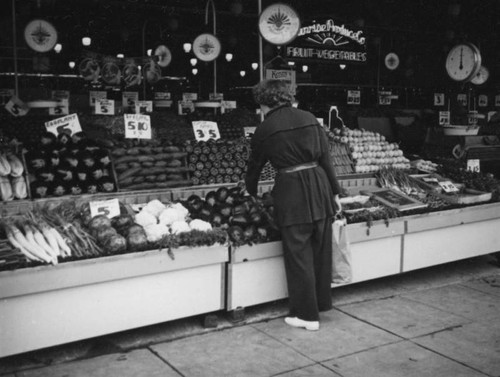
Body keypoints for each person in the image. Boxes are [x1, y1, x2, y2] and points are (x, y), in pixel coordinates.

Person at [245, 79, 342, 331]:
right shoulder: (310, 118)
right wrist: (336, 192)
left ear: (264, 103)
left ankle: (307, 316)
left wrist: (250, 192)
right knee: (320, 252)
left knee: (298, 254)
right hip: (320, 186)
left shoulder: (265, 129)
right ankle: (320, 304)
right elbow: (326, 158)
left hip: (291, 191)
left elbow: (254, 166)